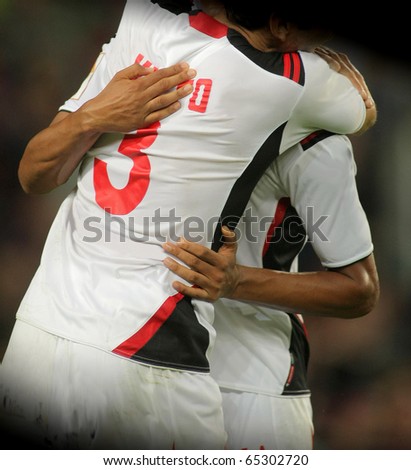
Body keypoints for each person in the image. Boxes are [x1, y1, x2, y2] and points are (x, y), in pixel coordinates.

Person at [0, 0, 376, 449]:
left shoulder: (137, 23)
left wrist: (96, 115)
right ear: (281, 27)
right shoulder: (295, 82)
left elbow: (33, 175)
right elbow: (364, 111)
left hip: (41, 339)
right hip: (150, 355)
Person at [162, 130, 380, 449]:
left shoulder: (315, 145)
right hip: (156, 363)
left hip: (252, 383)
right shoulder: (174, 112)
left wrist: (236, 280)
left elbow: (360, 288)